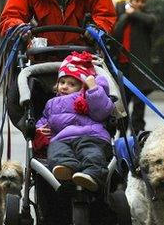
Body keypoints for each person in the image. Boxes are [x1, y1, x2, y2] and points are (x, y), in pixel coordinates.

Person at [35, 51, 114, 192]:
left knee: (92, 153)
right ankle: (66, 167)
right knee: (55, 151)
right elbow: (44, 119)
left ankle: (91, 175)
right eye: (62, 82)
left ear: (81, 87)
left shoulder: (86, 97)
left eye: (71, 84)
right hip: (61, 139)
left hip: (90, 135)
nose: (65, 86)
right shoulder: (51, 103)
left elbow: (102, 111)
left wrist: (93, 89)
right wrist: (39, 129)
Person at [113, 0, 156, 134]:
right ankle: (122, 135)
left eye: (142, 1)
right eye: (136, 0)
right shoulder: (124, 18)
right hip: (123, 66)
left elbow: (151, 21)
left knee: (139, 105)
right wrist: (127, 15)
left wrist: (132, 12)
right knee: (122, 104)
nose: (139, 3)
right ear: (131, 1)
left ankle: (137, 134)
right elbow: (116, 32)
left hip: (139, 69)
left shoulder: (146, 19)